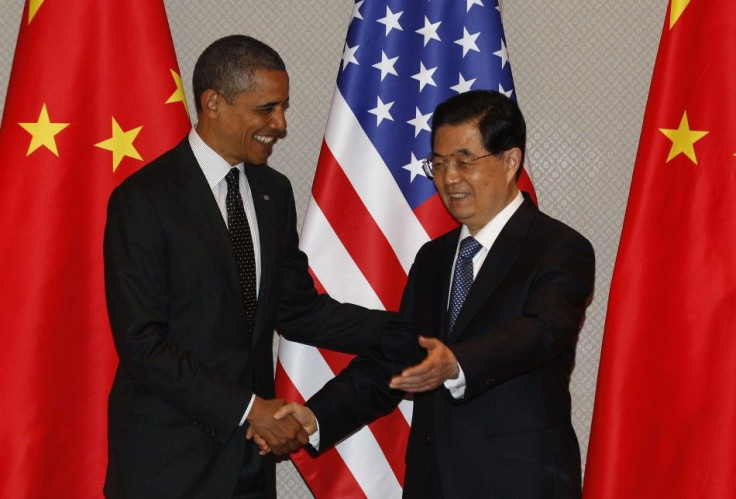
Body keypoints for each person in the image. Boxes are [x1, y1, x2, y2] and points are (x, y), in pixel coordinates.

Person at [103, 35, 393, 498]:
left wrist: (404, 331)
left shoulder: (272, 193)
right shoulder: (144, 199)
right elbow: (143, 343)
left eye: (284, 108)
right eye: (266, 109)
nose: (280, 124)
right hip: (167, 464)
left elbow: (297, 310)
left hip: (248, 465)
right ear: (213, 103)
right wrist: (248, 409)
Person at [266, 90, 595, 498]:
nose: (449, 178)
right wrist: (314, 418)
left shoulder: (559, 248)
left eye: (463, 161)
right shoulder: (434, 258)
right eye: (438, 164)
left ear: (510, 162)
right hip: (432, 483)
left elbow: (542, 332)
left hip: (518, 483)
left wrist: (456, 362)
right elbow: (399, 356)